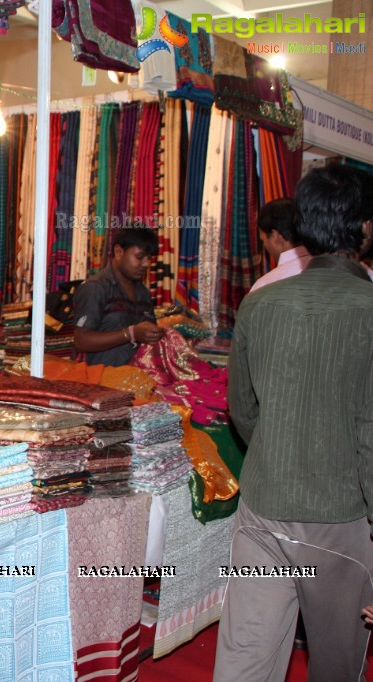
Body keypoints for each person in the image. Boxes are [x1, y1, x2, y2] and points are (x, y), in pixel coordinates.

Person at [214, 164, 373, 682]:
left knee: (246, 657)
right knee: (335, 664)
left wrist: (282, 452)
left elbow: (243, 409)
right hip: (344, 518)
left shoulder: (259, 302)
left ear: (301, 225)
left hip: (265, 508)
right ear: (365, 227)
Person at [72, 227, 164, 366]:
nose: (146, 264)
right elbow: (81, 340)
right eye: (139, 257)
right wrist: (130, 333)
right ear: (119, 252)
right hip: (99, 380)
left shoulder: (142, 292)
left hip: (134, 379)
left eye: (149, 258)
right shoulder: (96, 288)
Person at [249, 197, 309, 292]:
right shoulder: (329, 269)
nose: (265, 247)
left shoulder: (264, 287)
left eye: (263, 240)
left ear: (275, 236)